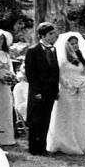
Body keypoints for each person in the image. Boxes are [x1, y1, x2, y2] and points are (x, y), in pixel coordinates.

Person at [46, 32, 85, 155]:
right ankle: (66, 143)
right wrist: (71, 86)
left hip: (81, 93)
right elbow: (60, 76)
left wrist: (84, 84)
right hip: (68, 92)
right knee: (68, 118)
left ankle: (81, 142)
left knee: (80, 118)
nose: (74, 45)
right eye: (72, 43)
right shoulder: (63, 60)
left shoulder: (80, 58)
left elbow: (84, 74)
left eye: (76, 43)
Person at [24, 22, 60, 155]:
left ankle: (43, 147)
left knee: (46, 119)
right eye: (50, 34)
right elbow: (30, 73)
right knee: (36, 120)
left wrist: (56, 90)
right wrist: (36, 92)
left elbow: (56, 72)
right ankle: (34, 148)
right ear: (43, 35)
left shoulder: (53, 49)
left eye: (53, 33)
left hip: (50, 91)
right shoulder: (33, 50)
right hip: (38, 91)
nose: (53, 36)